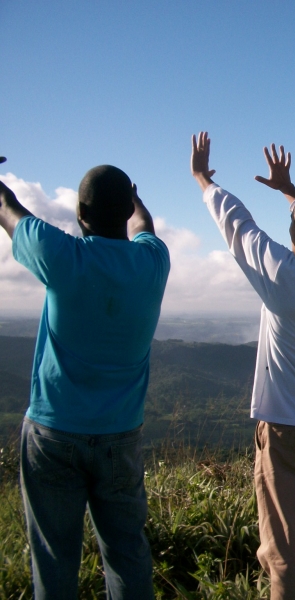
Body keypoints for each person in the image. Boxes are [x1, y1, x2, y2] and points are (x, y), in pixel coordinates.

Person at [190, 134, 295, 599]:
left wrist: (203, 179)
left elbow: (238, 225)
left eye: (294, 219)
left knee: (282, 548)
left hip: (287, 430)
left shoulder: (286, 277)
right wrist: (293, 193)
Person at [0, 156, 170, 599]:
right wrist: (137, 202)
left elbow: (6, 207)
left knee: (55, 560)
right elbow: (146, 225)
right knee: (127, 553)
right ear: (127, 211)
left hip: (53, 433)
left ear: (79, 215)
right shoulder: (152, 263)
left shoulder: (62, 256)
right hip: (120, 436)